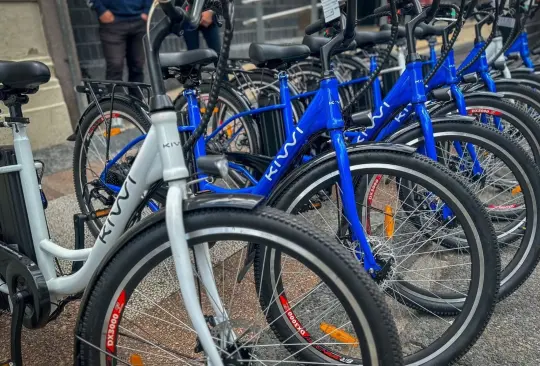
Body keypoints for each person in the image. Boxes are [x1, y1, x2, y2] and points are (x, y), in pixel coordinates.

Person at [87, 0, 153, 84]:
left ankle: (137, 97)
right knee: (115, 66)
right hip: (112, 24)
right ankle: (115, 97)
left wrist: (147, 10)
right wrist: (101, 10)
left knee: (138, 65)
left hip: (139, 22)